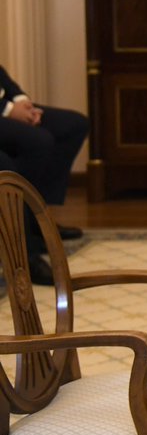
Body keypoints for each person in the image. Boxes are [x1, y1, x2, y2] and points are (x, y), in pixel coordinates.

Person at [0, 65, 88, 286]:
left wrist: (21, 101)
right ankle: (23, 250)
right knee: (37, 142)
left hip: (6, 107)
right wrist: (9, 111)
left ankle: (37, 221)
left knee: (73, 125)